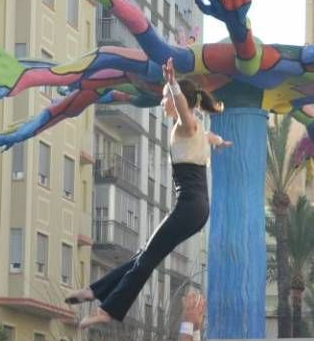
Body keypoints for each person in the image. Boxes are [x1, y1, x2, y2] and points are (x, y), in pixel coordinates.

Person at [71, 59, 230, 327]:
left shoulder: (185, 125)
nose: (162, 103)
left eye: (164, 99)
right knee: (145, 254)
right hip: (197, 208)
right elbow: (208, 136)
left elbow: (182, 110)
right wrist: (219, 142)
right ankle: (95, 291)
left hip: (190, 206)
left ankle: (108, 310)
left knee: (146, 258)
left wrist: (173, 85)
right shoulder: (198, 130)